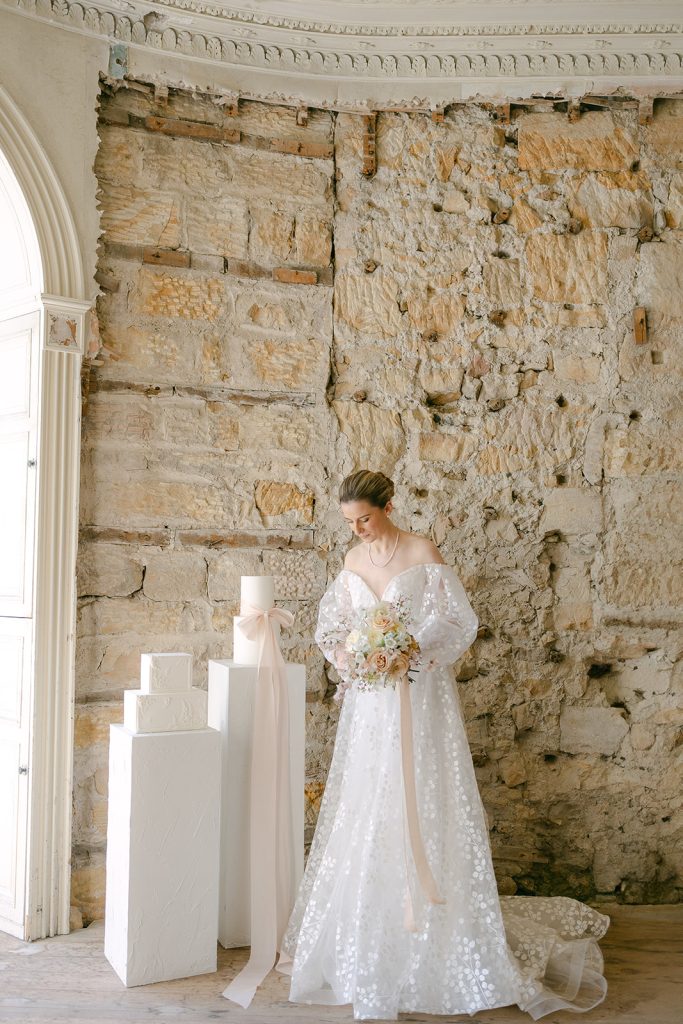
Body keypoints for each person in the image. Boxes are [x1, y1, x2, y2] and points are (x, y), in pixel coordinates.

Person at [278, 469, 610, 1021]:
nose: (358, 529)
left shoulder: (422, 551)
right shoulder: (351, 563)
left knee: (424, 793)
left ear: (387, 505)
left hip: (419, 696)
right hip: (370, 703)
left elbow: (459, 621)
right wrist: (358, 659)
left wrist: (410, 651)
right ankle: (368, 932)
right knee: (368, 803)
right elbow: (333, 628)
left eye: (365, 517)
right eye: (350, 521)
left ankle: (440, 936)